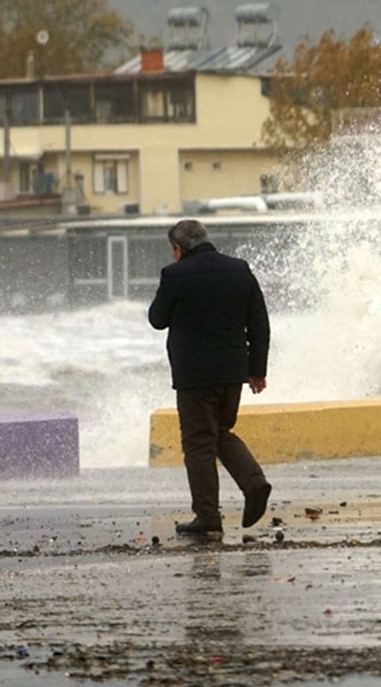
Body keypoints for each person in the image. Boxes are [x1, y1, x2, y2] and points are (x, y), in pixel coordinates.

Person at [149, 219, 272, 536]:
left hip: (195, 376)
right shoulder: (238, 269)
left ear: (178, 249)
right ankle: (254, 483)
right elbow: (259, 322)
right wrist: (257, 369)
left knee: (199, 444)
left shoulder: (174, 275)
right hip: (233, 372)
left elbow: (157, 319)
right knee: (219, 433)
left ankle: (207, 517)